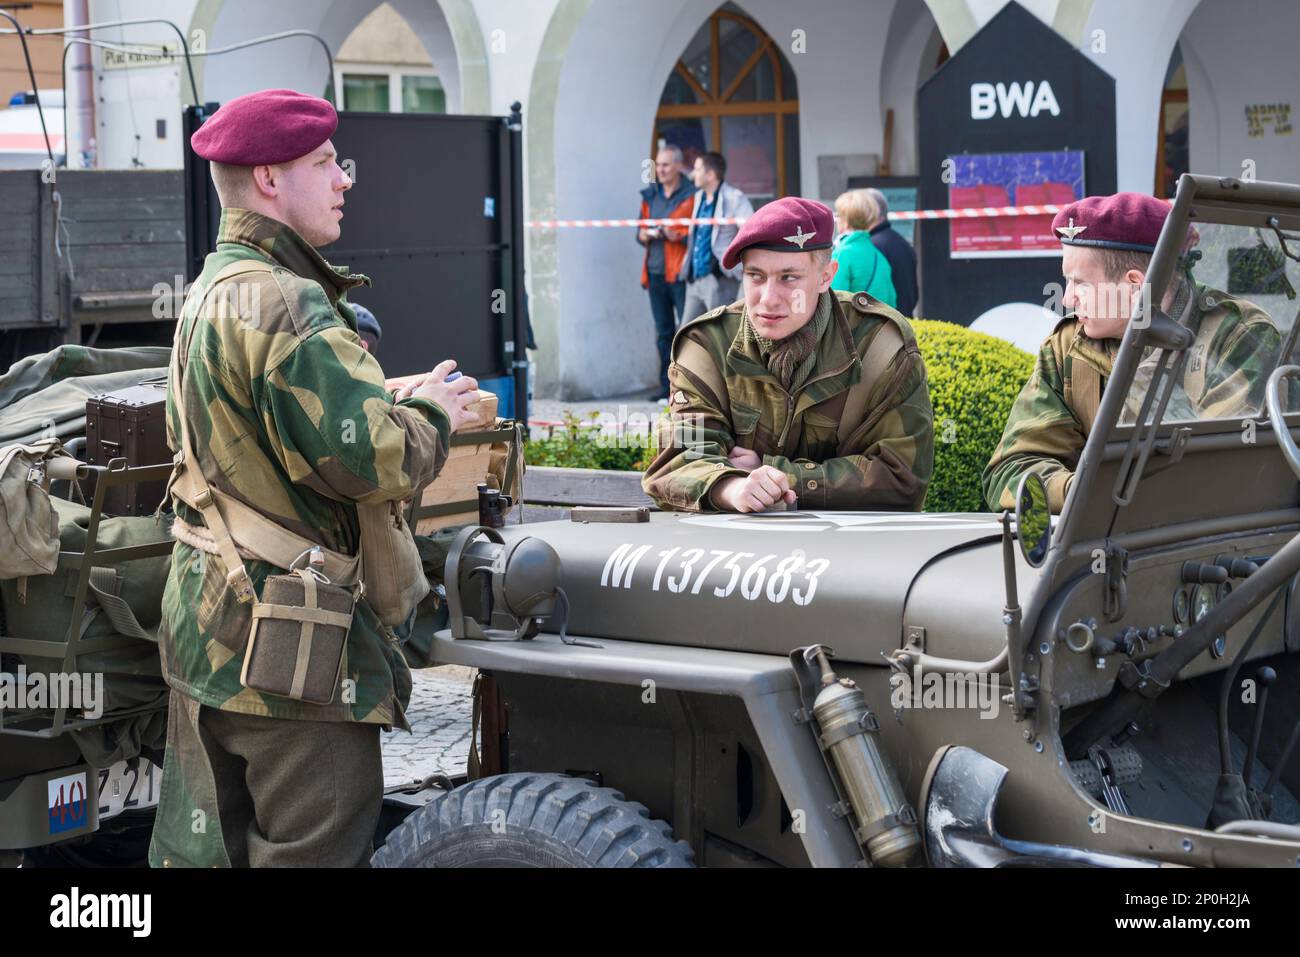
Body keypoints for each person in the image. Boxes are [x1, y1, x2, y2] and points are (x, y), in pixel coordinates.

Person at [148, 88, 481, 868]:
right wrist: (435, 412)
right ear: (270, 178)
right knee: (314, 851)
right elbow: (369, 463)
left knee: (209, 855)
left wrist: (378, 394)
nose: (343, 179)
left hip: (209, 622)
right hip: (291, 647)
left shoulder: (214, 287)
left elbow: (262, 436)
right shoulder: (289, 302)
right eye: (325, 162)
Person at [983, 192, 1280, 513]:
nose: (1067, 299)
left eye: (1080, 283)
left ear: (1135, 286)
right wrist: (1076, 491)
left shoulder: (1236, 336)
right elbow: (1008, 472)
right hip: (1101, 544)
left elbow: (1220, 474)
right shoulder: (1068, 347)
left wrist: (1096, 493)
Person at [642, 196, 934, 513]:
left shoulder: (879, 346)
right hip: (739, 553)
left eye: (788, 278)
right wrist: (732, 487)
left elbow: (901, 477)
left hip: (852, 552)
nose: (768, 299)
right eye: (755, 276)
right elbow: (679, 461)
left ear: (826, 276)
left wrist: (782, 476)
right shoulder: (707, 345)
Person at [637, 145, 695, 400]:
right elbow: (637, 232)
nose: (660, 170)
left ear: (678, 166)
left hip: (680, 273)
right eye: (658, 165)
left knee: (686, 332)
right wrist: (644, 234)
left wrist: (676, 236)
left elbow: (697, 233)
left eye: (666, 165)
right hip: (654, 273)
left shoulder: (692, 195)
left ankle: (687, 388)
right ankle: (665, 388)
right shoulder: (650, 195)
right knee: (663, 333)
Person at [682, 151, 753, 321]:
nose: (693, 174)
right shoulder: (698, 197)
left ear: (710, 175)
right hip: (695, 279)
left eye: (698, 169)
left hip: (719, 279)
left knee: (719, 335)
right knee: (685, 334)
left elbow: (750, 232)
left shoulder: (734, 198)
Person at [830, 189, 897, 308]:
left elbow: (834, 302)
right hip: (879, 325)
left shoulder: (842, 254)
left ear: (845, 221)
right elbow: (891, 300)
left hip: (853, 326)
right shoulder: (879, 256)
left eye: (838, 216)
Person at [863, 188, 919, 317]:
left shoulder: (872, 247)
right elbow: (913, 294)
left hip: (886, 324)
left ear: (870, 212)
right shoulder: (902, 242)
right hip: (905, 321)